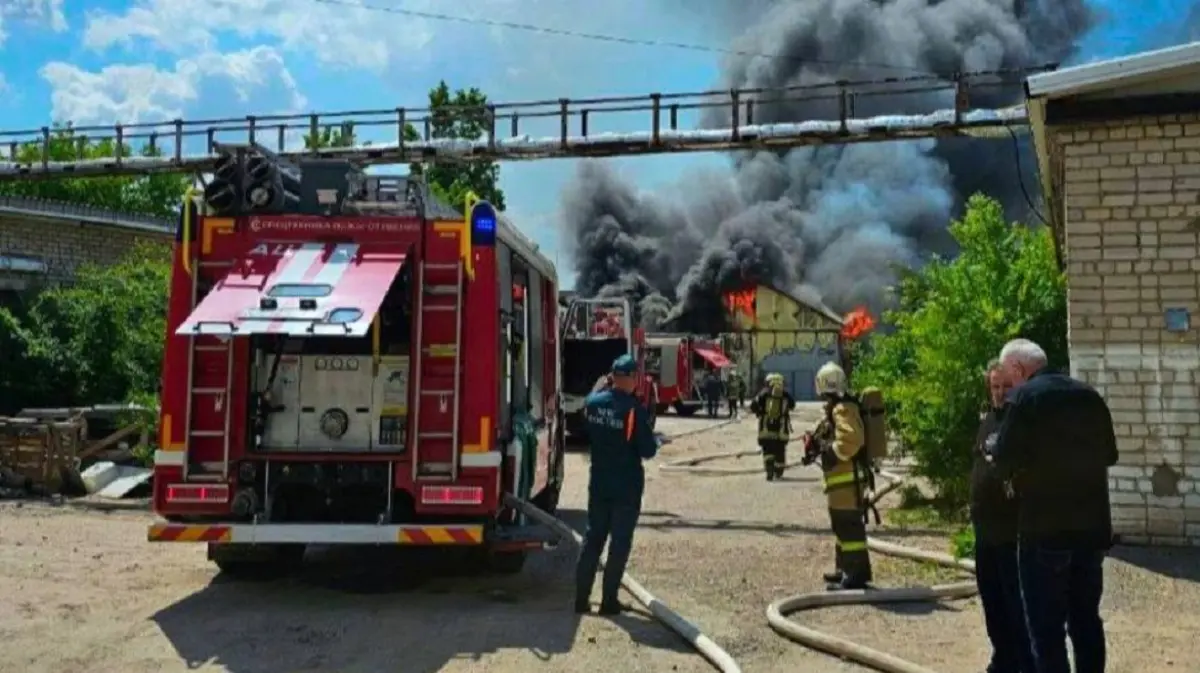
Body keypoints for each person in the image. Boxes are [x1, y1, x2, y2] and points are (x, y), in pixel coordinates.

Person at [989, 339, 1117, 673]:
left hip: (1044, 532)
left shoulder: (1026, 398)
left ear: (1018, 369)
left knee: (1046, 632)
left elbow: (1003, 461)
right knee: (1086, 622)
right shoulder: (1089, 395)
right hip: (1092, 530)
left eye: (1009, 375)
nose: (1008, 385)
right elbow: (1111, 455)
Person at [575, 354, 659, 615]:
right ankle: (609, 600)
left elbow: (585, 424)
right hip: (626, 487)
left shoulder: (594, 403)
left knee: (592, 540)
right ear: (632, 378)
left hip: (599, 483)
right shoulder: (634, 410)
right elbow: (647, 451)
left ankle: (581, 600)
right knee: (619, 543)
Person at [973, 359, 1034, 673]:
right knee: (992, 602)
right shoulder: (989, 420)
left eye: (1005, 386)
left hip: (1012, 532)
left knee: (1017, 604)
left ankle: (1026, 663)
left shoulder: (1020, 421)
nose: (999, 393)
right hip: (984, 531)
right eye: (995, 387)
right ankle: (1003, 658)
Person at [810, 361, 872, 590]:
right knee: (841, 525)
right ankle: (844, 568)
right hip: (841, 482)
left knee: (849, 526)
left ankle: (855, 576)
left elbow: (851, 440)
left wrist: (832, 454)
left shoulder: (843, 408)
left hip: (847, 481)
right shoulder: (838, 407)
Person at [751, 372, 795, 480]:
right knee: (780, 450)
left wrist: (760, 412)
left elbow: (753, 406)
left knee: (768, 450)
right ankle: (779, 471)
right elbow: (792, 405)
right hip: (781, 430)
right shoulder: (786, 394)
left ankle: (769, 471)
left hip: (766, 428)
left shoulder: (763, 393)